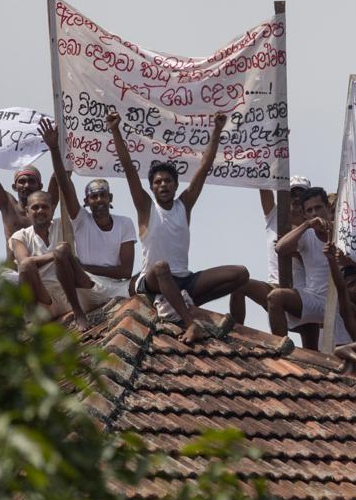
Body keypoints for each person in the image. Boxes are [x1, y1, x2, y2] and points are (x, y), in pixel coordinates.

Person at [108, 111, 249, 343]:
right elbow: (128, 169)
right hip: (153, 280)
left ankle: (186, 302)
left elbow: (204, 168)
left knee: (241, 273)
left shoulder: (184, 205)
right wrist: (115, 130)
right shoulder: (147, 207)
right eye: (158, 182)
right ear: (152, 188)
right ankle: (190, 323)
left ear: (175, 186)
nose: (163, 185)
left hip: (184, 279)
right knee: (161, 266)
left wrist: (217, 130)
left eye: (168, 181)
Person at [39, 119, 136, 302]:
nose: (99, 200)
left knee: (153, 274)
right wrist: (54, 149)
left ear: (110, 198)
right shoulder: (81, 220)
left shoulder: (125, 223)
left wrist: (84, 266)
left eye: (102, 195)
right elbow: (64, 184)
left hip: (119, 285)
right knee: (63, 254)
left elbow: (125, 271)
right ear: (86, 202)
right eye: (94, 196)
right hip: (89, 284)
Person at [9, 191, 105, 332]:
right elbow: (24, 262)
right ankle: (32, 319)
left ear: (53, 209)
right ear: (27, 211)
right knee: (30, 264)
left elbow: (67, 193)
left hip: (72, 292)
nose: (40, 211)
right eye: (35, 207)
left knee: (62, 253)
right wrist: (56, 254)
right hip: (45, 299)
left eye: (45, 207)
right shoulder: (20, 236)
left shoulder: (64, 224)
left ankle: (79, 314)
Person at [228, 176, 310, 329]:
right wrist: (262, 159)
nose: (297, 198)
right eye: (292, 194)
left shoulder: (312, 226)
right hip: (275, 286)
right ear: (285, 196)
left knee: (311, 350)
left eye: (302, 194)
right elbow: (262, 182)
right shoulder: (274, 216)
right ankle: (236, 333)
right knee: (238, 285)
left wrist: (294, 253)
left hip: (302, 294)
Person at [268, 187, 331, 349]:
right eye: (309, 210)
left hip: (341, 304)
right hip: (316, 300)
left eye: (318, 208)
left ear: (328, 208)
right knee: (275, 297)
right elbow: (280, 248)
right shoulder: (306, 233)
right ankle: (280, 352)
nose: (314, 213)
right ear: (304, 215)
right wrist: (307, 225)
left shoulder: (343, 232)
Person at [0, 154, 58, 266]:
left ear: (40, 186)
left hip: (44, 271)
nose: (26, 185)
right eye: (22, 181)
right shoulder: (8, 205)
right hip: (14, 272)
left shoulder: (45, 206)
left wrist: (60, 149)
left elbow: (59, 176)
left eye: (31, 181)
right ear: (14, 186)